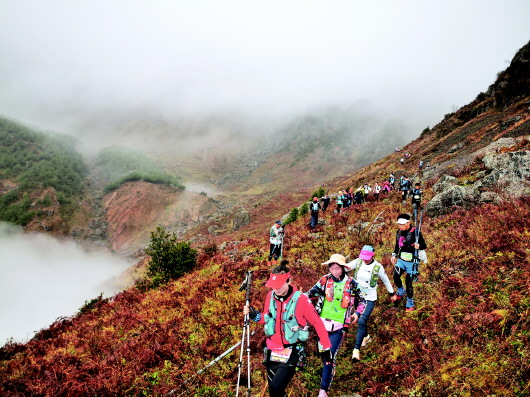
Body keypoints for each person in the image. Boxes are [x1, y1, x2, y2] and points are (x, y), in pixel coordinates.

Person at [244, 261, 332, 397]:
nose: (276, 289)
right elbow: (267, 318)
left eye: (279, 285)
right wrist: (253, 314)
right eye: (273, 286)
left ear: (288, 280)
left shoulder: (301, 300)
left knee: (275, 388)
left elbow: (317, 323)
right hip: (272, 350)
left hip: (292, 351)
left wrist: (326, 348)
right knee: (275, 392)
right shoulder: (270, 296)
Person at [306, 254, 363, 397]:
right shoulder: (324, 280)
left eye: (337, 268)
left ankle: (323, 390)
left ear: (343, 268)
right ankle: (330, 370)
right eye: (331, 267)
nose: (334, 270)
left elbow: (362, 301)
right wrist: (300, 300)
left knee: (330, 355)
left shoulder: (352, 283)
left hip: (339, 326)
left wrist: (356, 314)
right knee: (324, 355)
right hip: (322, 324)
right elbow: (311, 293)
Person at [348, 246, 397, 361]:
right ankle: (366, 337)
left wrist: (391, 293)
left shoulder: (377, 267)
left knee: (361, 320)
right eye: (363, 257)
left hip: (370, 298)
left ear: (372, 255)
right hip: (358, 297)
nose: (365, 259)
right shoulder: (358, 262)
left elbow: (385, 280)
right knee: (361, 321)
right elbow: (345, 268)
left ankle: (356, 350)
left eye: (367, 257)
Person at [391, 214, 427, 312]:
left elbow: (424, 245)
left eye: (402, 224)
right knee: (395, 275)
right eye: (399, 224)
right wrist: (394, 254)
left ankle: (410, 303)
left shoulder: (416, 232)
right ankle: (401, 291)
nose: (400, 226)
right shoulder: (398, 232)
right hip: (401, 260)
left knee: (408, 283)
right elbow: (397, 245)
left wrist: (418, 246)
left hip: (412, 262)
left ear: (408, 223)